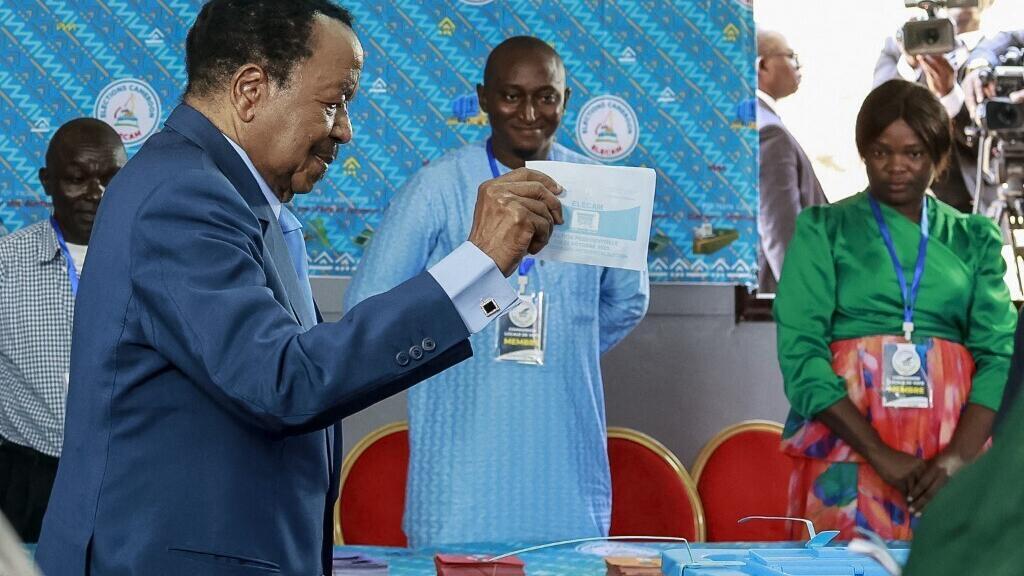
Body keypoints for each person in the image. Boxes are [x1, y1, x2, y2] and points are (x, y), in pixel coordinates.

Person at [35, 2, 563, 575]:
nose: (345, 129)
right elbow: (283, 380)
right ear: (250, 90)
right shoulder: (181, 197)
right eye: (333, 102)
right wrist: (477, 264)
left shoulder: (234, 196)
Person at [344, 36, 649, 546]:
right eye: (511, 96)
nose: (529, 112)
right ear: (484, 98)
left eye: (546, 96)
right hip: (457, 483)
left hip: (567, 478)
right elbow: (368, 307)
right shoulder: (438, 187)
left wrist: (564, 350)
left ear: (566, 100)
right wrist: (452, 344)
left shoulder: (600, 189)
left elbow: (627, 302)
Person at [774, 79, 1016, 540]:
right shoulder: (824, 229)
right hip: (847, 444)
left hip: (952, 453)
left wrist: (957, 459)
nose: (896, 167)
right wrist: (879, 454)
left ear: (937, 155)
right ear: (864, 153)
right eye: (881, 152)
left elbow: (998, 354)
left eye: (914, 153)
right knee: (843, 567)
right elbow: (800, 352)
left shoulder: (972, 237)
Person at [0, 118, 125, 543]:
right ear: (47, 181)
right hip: (28, 481)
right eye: (76, 179)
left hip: (125, 475)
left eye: (111, 179)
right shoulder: (6, 264)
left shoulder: (151, 259)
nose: (96, 194)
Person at [873, 4, 992, 213]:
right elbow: (876, 118)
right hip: (917, 202)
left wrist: (949, 95)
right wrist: (910, 66)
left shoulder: (992, 52)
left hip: (985, 200)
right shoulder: (898, 47)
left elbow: (996, 133)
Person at [755, 30, 827, 294]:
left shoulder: (757, 121)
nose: (798, 66)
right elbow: (780, 231)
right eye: (790, 57)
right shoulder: (769, 132)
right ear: (763, 65)